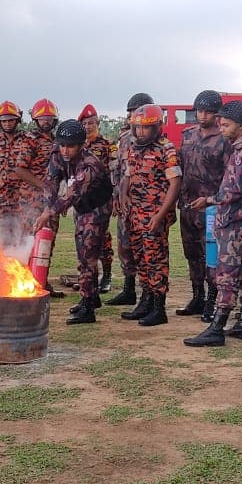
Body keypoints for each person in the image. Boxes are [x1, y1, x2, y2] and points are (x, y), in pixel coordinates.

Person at [184, 101, 242, 347]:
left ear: (241, 126)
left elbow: (234, 191)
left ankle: (217, 327)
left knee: (226, 274)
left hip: (236, 221)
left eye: (227, 124)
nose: (221, 126)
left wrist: (208, 200)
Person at [37, 119, 111, 324]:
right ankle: (92, 297)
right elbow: (51, 182)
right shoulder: (57, 154)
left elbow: (71, 194)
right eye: (62, 145)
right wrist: (47, 206)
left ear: (81, 145)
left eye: (70, 146)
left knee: (87, 255)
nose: (66, 150)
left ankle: (88, 308)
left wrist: (49, 213)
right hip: (81, 207)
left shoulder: (90, 164)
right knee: (82, 251)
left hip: (97, 208)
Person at [119, 103, 181, 326]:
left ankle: (158, 307)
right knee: (140, 258)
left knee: (156, 260)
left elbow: (175, 184)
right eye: (137, 128)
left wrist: (161, 215)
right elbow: (127, 174)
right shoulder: (133, 148)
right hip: (135, 214)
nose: (140, 132)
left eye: (145, 128)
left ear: (157, 127)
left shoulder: (167, 149)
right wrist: (123, 195)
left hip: (155, 215)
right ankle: (145, 301)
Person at [175, 90, 229, 321]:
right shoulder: (187, 136)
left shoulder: (224, 140)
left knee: (212, 256)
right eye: (200, 111)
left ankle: (213, 300)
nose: (203, 115)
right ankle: (197, 296)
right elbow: (179, 169)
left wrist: (216, 200)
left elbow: (229, 176)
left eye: (208, 112)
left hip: (211, 208)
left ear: (217, 114)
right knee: (192, 254)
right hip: (188, 206)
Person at [104, 92, 155, 308]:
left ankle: (149, 295)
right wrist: (116, 195)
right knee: (125, 245)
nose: (134, 115)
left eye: (137, 110)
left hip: (146, 204)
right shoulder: (124, 139)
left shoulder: (155, 140)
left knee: (147, 249)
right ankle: (129, 289)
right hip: (126, 201)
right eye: (132, 112)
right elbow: (117, 169)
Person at [27, 98, 65, 297]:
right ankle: (28, 281)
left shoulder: (59, 142)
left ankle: (42, 281)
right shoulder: (29, 140)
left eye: (49, 118)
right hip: (32, 201)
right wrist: (44, 186)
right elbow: (18, 169)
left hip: (52, 202)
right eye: (42, 119)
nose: (45, 122)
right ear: (35, 119)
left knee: (48, 242)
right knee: (32, 242)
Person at [0, 100, 35, 241]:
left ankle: (23, 262)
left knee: (24, 234)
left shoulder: (28, 139)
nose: (7, 124)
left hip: (23, 196)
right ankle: (8, 262)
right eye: (3, 121)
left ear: (17, 120)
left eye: (11, 120)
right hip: (2, 198)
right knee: (5, 236)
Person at [79, 104, 114, 293]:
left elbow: (114, 173)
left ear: (97, 124)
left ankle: (107, 274)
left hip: (101, 200)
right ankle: (88, 278)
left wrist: (115, 198)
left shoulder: (107, 145)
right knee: (83, 240)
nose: (88, 126)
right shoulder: (76, 145)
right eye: (85, 123)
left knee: (103, 239)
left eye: (92, 123)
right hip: (82, 201)